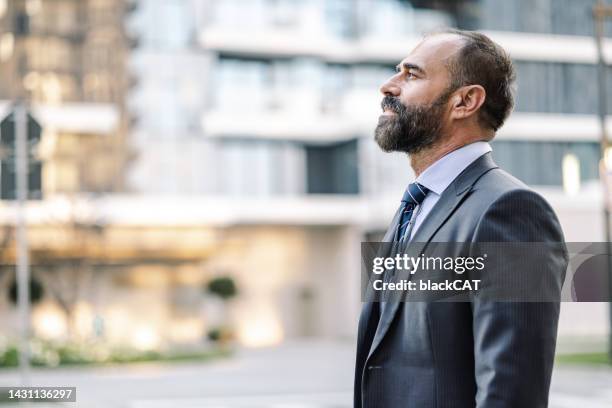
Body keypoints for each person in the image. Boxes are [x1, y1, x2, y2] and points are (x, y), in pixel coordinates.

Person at [354, 28, 568, 408]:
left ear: (465, 101)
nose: (388, 86)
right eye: (397, 71)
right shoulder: (413, 209)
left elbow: (512, 392)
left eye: (412, 74)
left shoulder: (511, 212)